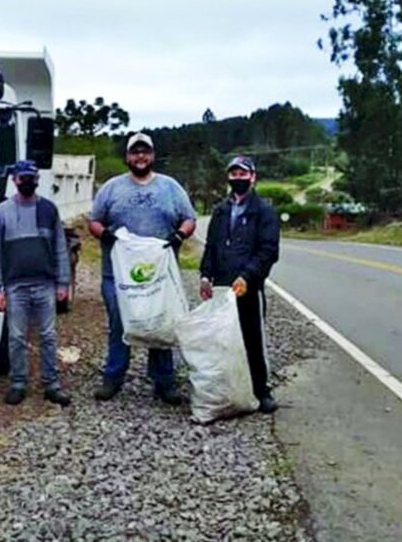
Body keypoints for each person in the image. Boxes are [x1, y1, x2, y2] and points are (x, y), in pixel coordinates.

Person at [89, 132, 197, 404]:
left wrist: (179, 236)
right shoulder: (112, 188)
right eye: (135, 152)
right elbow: (95, 221)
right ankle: (113, 378)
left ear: (152, 156)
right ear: (127, 157)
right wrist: (106, 235)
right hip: (118, 275)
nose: (140, 157)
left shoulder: (170, 187)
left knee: (159, 324)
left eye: (145, 152)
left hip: (158, 276)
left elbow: (189, 218)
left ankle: (164, 381)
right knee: (119, 324)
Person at [0, 160, 72, 407]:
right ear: (14, 180)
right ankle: (18, 383)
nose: (27, 182)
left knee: (48, 335)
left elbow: (60, 248)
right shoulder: (1, 212)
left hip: (45, 283)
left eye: (31, 178)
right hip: (15, 285)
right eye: (22, 178)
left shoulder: (49, 210)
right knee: (16, 337)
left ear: (37, 180)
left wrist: (63, 283)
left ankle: (51, 384)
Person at [199, 155, 280, 414]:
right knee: (222, 339)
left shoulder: (264, 211)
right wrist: (205, 275)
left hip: (248, 288)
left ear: (253, 177)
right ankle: (227, 388)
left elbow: (268, 251)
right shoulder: (220, 211)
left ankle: (261, 390)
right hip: (222, 288)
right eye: (234, 174)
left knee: (252, 339)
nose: (238, 178)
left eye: (243, 174)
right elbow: (211, 246)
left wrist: (247, 276)